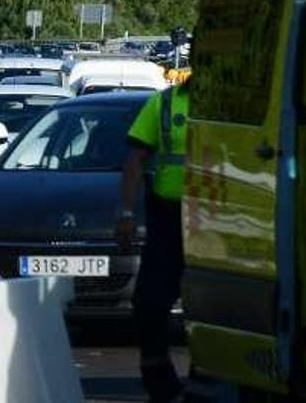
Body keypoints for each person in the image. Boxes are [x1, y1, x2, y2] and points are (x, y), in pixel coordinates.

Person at [116, 78, 190, 402]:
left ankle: (213, 375)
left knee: (213, 303)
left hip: (221, 217)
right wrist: (127, 214)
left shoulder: (237, 100)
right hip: (169, 217)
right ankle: (158, 379)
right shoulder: (164, 103)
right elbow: (135, 159)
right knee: (149, 302)